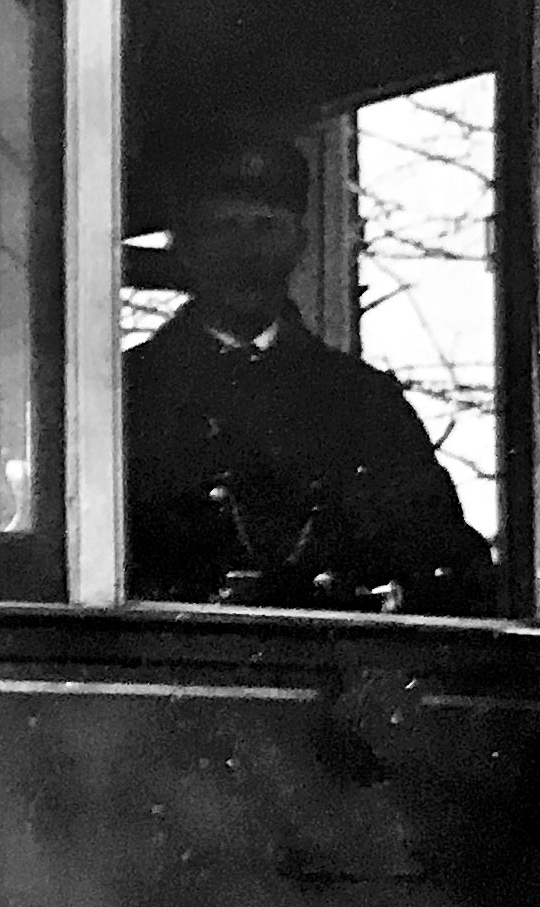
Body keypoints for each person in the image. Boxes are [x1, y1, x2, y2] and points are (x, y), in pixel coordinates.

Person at [125, 128, 498, 615]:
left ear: (298, 243)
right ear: (186, 247)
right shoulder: (128, 398)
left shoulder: (365, 405)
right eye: (225, 228)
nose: (247, 253)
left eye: (266, 227)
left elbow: (447, 562)